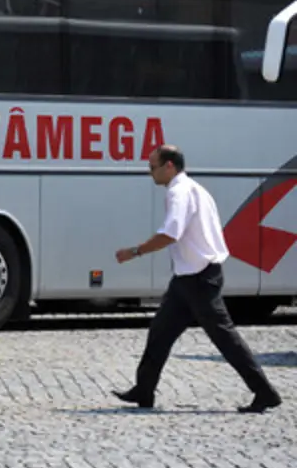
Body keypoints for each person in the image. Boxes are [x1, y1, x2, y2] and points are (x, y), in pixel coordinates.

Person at [112, 144, 282, 413]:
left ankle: (265, 392)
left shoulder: (179, 193)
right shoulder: (196, 189)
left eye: (152, 167)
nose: (149, 173)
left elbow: (171, 233)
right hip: (188, 278)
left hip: (199, 279)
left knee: (225, 338)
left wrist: (134, 252)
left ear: (169, 166)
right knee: (160, 331)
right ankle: (143, 390)